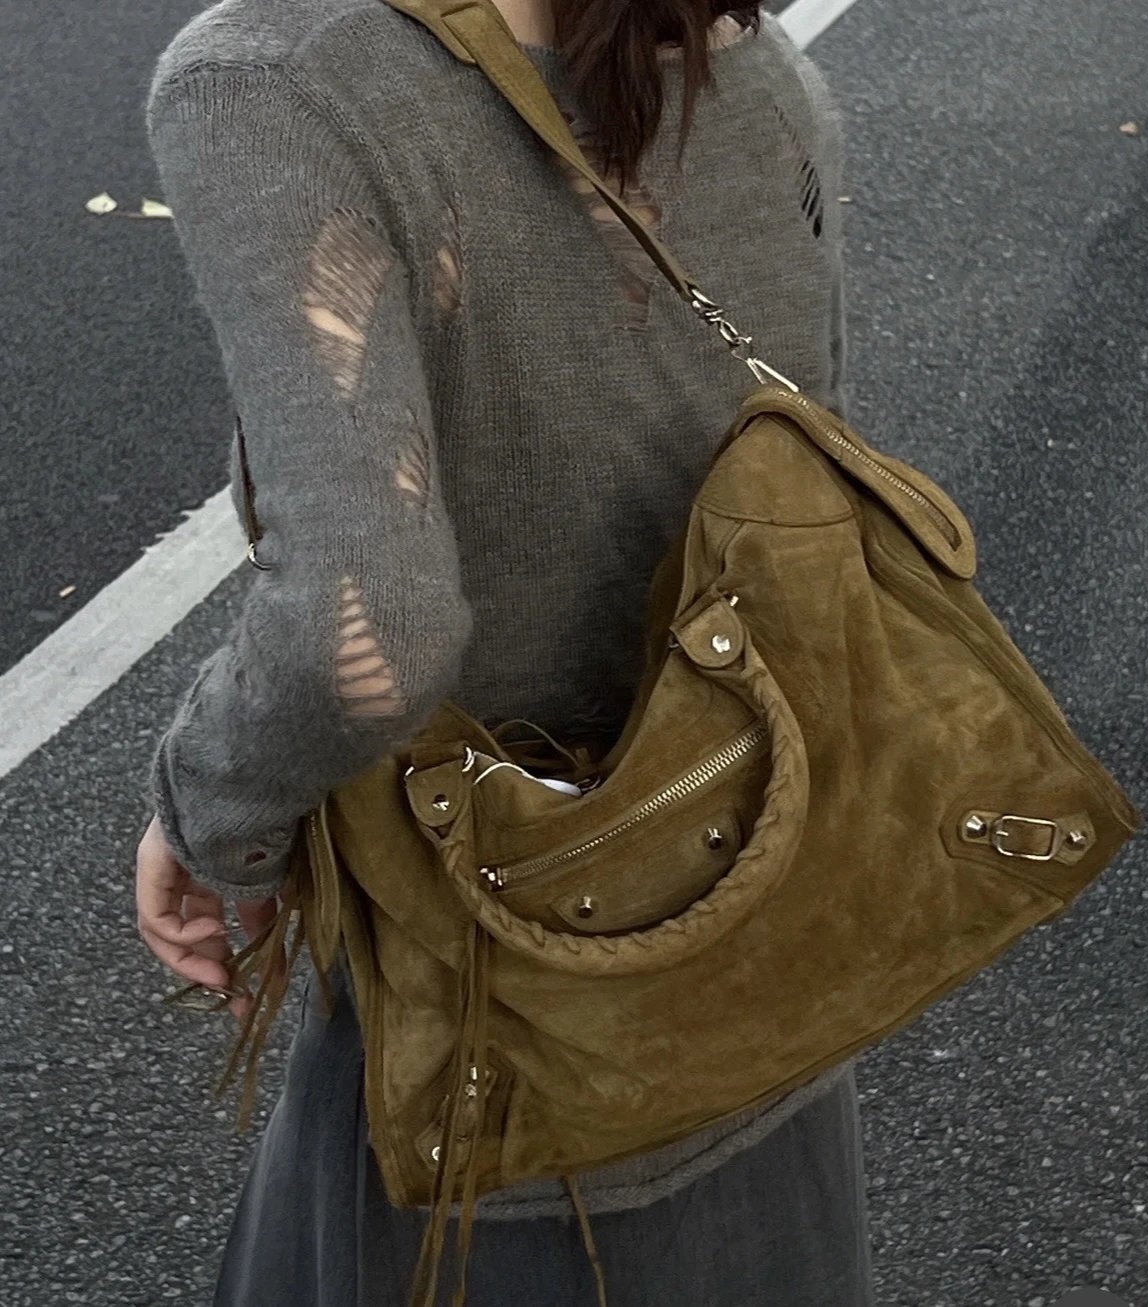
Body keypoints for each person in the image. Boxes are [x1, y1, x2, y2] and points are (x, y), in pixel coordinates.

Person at [135, 0, 874, 1302]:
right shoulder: (745, 62)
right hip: (750, 948)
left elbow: (370, 636)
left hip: (486, 992)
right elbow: (814, 496)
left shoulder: (279, 79)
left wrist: (213, 818)